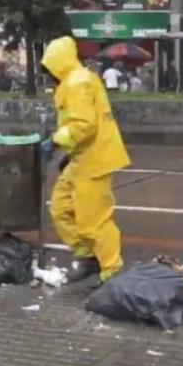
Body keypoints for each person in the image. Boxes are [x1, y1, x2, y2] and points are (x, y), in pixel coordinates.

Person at [41, 36, 130, 284]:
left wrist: (56, 142)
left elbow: (84, 125)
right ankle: (88, 257)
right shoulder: (74, 80)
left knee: (94, 222)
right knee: (60, 208)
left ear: (58, 63)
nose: (47, 73)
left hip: (94, 160)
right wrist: (68, 152)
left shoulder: (77, 82)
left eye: (49, 67)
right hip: (82, 158)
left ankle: (112, 272)